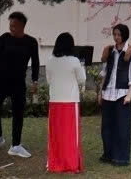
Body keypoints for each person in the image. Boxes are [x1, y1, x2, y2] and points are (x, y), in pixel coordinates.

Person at [0, 11, 40, 158]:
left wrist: (35, 81)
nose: (11, 28)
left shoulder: (31, 42)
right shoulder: (4, 38)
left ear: (22, 26)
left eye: (14, 25)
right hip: (1, 80)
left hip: (18, 83)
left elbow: (35, 63)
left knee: (18, 113)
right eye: (10, 25)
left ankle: (15, 145)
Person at [98, 24, 131, 167]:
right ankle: (108, 154)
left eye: (119, 35)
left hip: (122, 94)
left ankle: (121, 157)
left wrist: (129, 94)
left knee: (122, 127)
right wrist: (100, 92)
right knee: (106, 127)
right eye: (114, 34)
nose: (116, 37)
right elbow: (105, 72)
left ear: (125, 35)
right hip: (108, 92)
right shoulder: (110, 51)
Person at [46, 32, 86, 173]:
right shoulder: (74, 60)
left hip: (55, 101)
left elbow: (49, 80)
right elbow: (82, 80)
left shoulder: (50, 60)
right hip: (70, 102)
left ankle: (55, 162)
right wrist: (82, 65)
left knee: (56, 135)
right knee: (70, 135)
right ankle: (71, 163)